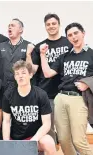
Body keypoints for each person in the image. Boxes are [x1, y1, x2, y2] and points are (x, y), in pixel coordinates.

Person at [39, 22, 93, 155]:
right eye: (70, 35)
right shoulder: (65, 56)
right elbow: (47, 73)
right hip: (61, 97)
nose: (73, 37)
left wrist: (87, 82)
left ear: (83, 33)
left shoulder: (91, 54)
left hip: (78, 99)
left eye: (76, 33)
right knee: (63, 140)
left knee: (79, 140)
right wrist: (42, 55)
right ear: (68, 38)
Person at [26, 13, 73, 145]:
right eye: (48, 24)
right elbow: (33, 70)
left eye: (54, 23)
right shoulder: (40, 46)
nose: (51, 26)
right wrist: (29, 54)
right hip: (47, 93)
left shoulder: (68, 43)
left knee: (68, 130)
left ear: (59, 24)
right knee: (48, 129)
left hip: (66, 92)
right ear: (45, 27)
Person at [2, 60, 55, 155]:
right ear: (15, 77)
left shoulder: (41, 94)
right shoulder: (8, 95)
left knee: (49, 142)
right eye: (17, 74)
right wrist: (6, 143)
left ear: (30, 75)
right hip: (16, 138)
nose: (20, 76)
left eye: (23, 73)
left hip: (35, 137)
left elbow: (47, 123)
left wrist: (33, 140)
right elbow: (6, 121)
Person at [0, 18, 36, 90]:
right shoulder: (0, 46)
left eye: (13, 25)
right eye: (9, 26)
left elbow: (32, 71)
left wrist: (28, 54)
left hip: (22, 89)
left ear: (21, 29)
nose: (10, 27)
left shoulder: (29, 46)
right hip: (3, 89)